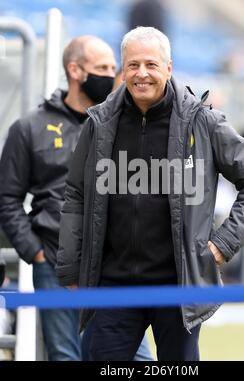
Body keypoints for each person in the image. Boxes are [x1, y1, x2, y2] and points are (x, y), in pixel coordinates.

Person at [56, 27, 244, 361]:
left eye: (151, 64)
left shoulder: (203, 122)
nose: (141, 73)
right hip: (113, 286)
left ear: (169, 68)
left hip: (178, 285)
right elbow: (76, 194)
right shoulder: (99, 123)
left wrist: (223, 244)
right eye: (132, 65)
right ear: (122, 70)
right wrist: (71, 268)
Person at [0, 35, 152, 361]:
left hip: (114, 268)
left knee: (138, 360)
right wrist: (35, 252)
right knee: (66, 357)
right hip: (53, 263)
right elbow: (7, 198)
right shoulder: (30, 128)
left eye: (114, 66)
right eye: (102, 67)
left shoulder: (125, 124)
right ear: (75, 70)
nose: (113, 74)